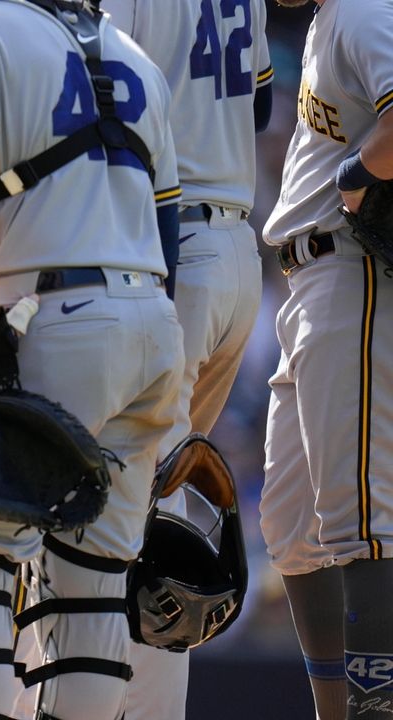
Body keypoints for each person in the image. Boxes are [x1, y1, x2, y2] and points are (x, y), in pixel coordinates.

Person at [0, 0, 185, 718]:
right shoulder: (135, 56)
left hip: (46, 317)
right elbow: (167, 227)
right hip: (151, 326)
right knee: (92, 605)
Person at [83, 1, 273, 718]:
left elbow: (107, 108)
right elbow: (256, 104)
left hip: (170, 248)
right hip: (233, 253)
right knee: (151, 506)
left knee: (127, 522)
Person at [259, 0, 393, 718]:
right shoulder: (329, 17)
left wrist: (356, 173)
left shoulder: (366, 8)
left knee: (363, 523)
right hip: (311, 279)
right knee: (292, 526)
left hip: (353, 269)